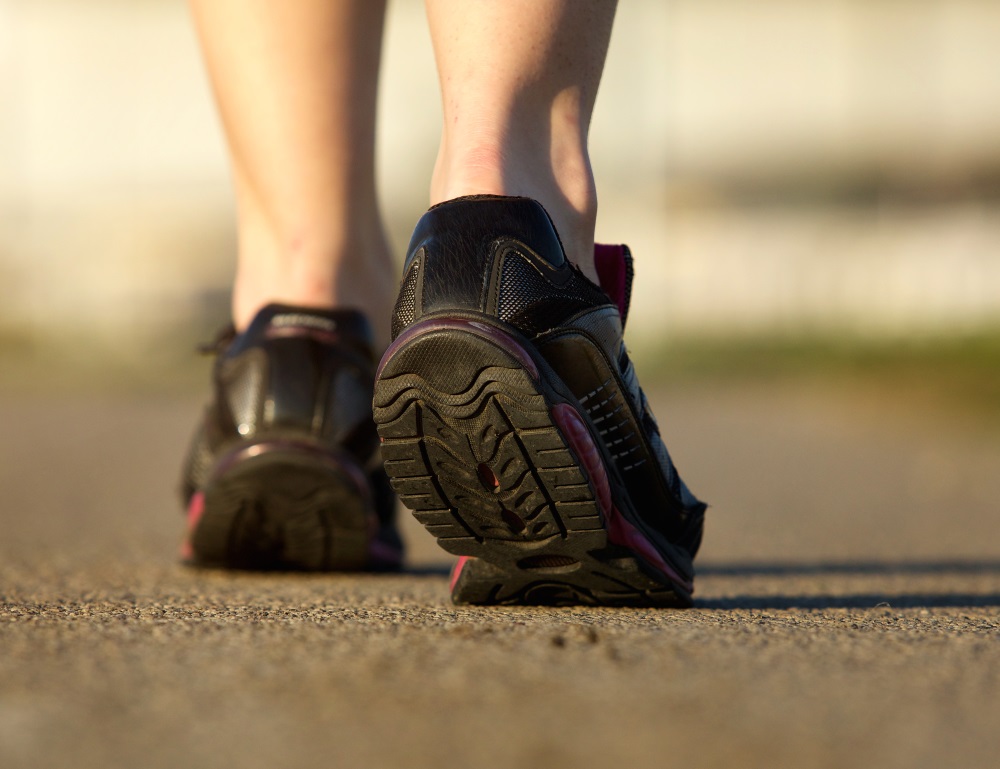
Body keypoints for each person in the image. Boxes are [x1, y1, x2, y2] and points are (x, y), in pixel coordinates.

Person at [179, 0, 706, 607]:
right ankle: (516, 222)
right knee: (505, 157)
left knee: (303, 261)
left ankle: (298, 333)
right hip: (517, 282)